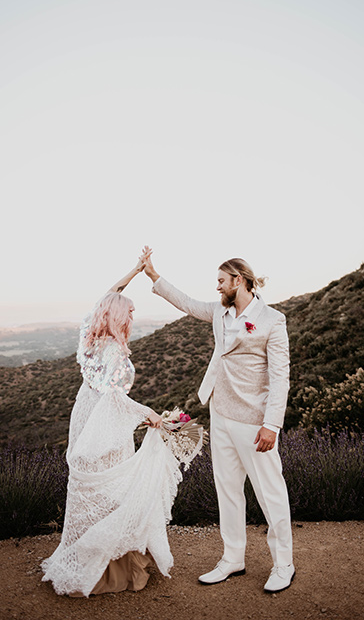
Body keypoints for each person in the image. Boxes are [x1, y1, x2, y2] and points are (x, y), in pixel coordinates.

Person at [142, 250, 295, 593]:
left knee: (270, 493)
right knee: (227, 490)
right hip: (220, 414)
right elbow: (186, 302)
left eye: (221, 281)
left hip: (255, 421)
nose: (217, 287)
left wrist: (272, 425)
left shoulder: (272, 320)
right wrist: (154, 276)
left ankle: (283, 563)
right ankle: (232, 558)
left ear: (238, 281)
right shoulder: (218, 312)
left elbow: (280, 377)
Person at [41, 255, 182, 597]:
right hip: (105, 422)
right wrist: (149, 413)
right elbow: (114, 398)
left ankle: (83, 554)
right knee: (112, 487)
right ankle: (108, 570)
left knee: (92, 482)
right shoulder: (115, 352)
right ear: (118, 316)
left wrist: (135, 271)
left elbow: (107, 294)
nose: (133, 317)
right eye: (130, 312)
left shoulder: (88, 339)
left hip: (84, 413)